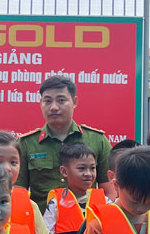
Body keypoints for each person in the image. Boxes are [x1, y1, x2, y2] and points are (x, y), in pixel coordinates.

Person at [16, 75, 112, 208]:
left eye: (61, 100)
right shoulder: (26, 143)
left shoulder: (97, 140)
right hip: (43, 220)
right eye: (47, 101)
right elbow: (18, 192)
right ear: (41, 103)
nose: (54, 107)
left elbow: (109, 190)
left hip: (87, 219)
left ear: (74, 102)